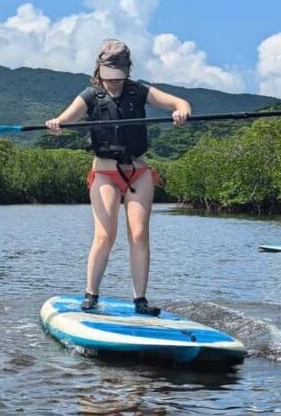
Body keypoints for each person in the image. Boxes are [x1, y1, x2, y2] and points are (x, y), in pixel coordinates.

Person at [46, 39, 191, 315]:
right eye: (108, 76)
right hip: (104, 172)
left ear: (127, 71)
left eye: (118, 76)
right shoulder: (90, 95)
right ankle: (91, 294)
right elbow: (65, 120)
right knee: (105, 235)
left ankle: (140, 300)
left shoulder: (140, 91)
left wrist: (182, 111)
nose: (113, 81)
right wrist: (56, 124)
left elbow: (179, 102)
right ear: (99, 71)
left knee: (139, 234)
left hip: (138, 172)